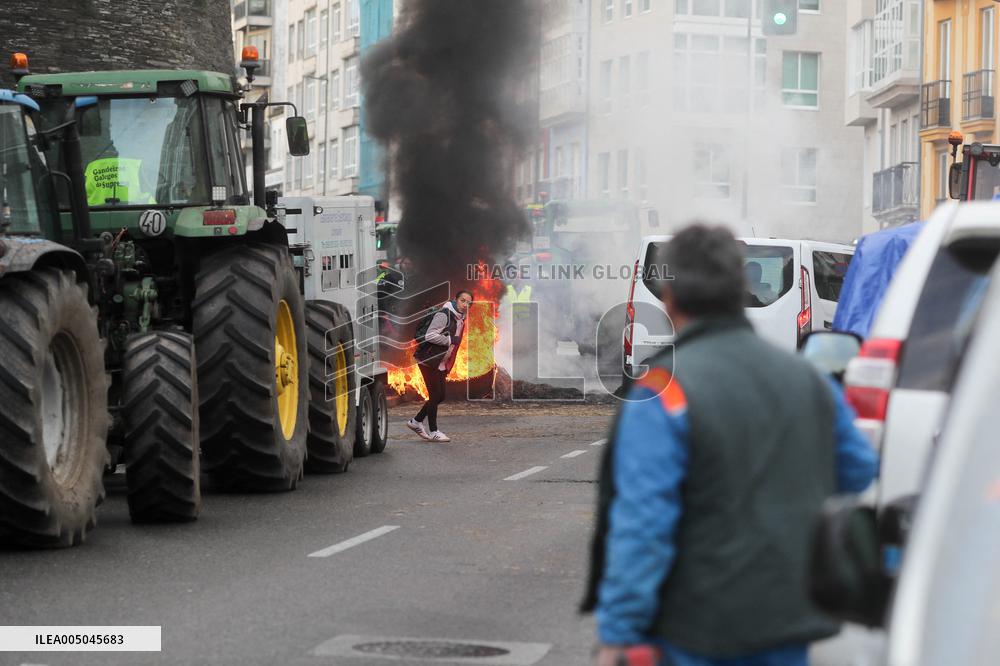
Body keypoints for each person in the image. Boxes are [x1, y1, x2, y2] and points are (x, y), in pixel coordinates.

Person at [582, 225, 878, 666]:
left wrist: (620, 633)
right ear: (741, 289)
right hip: (787, 615)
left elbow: (643, 519)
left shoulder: (665, 390)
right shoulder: (808, 380)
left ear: (669, 297)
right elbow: (858, 469)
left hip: (697, 626)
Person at [406, 290, 472, 442]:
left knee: (441, 396)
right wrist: (449, 340)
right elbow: (430, 335)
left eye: (468, 302)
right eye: (463, 300)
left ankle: (416, 422)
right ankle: (434, 431)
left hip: (440, 361)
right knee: (435, 395)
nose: (465, 305)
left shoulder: (460, 318)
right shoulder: (445, 315)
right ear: (456, 300)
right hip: (429, 360)